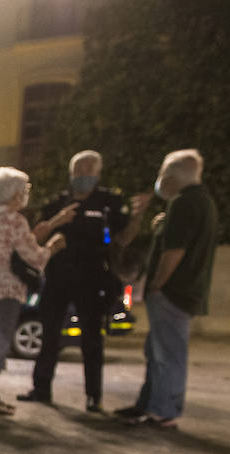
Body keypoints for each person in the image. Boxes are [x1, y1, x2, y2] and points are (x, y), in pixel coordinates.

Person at [17, 150, 150, 412]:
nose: (83, 175)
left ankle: (93, 396)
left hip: (93, 279)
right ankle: (41, 388)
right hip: (57, 278)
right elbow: (37, 238)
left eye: (89, 170)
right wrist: (57, 222)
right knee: (50, 336)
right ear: (71, 173)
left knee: (92, 339)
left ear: (98, 173)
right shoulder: (57, 203)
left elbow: (122, 239)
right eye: (78, 170)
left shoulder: (108, 203)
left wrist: (137, 216)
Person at [116, 149, 218, 429]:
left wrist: (157, 286)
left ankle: (163, 411)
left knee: (167, 355)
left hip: (173, 293)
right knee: (157, 352)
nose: (159, 180)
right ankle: (149, 404)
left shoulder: (184, 204)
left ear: (172, 177)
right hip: (183, 292)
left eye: (162, 174)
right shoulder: (202, 202)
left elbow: (174, 252)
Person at [0, 167, 69, 416]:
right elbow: (34, 256)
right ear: (14, 192)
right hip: (3, 293)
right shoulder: (15, 220)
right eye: (23, 189)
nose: (25, 194)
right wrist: (53, 247)